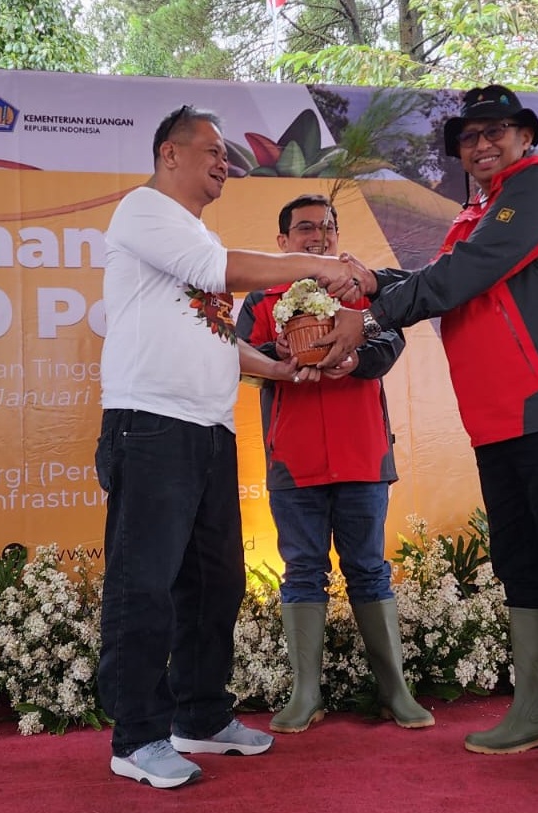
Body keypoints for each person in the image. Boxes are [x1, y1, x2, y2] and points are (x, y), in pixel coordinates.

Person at [316, 84, 538, 784]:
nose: (481, 145)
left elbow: (465, 276)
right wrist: (373, 284)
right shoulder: (479, 212)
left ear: (526, 137)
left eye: (496, 131)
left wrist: (369, 316)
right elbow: (447, 278)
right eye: (468, 137)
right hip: (500, 411)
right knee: (522, 560)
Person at [95, 104, 362, 789]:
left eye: (225, 153)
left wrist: (274, 367)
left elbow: (213, 328)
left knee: (216, 583)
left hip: (210, 427)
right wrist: (320, 266)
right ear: (169, 154)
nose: (224, 162)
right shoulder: (143, 210)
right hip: (149, 421)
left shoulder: (190, 234)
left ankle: (200, 716)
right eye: (212, 150)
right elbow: (220, 272)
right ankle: (138, 736)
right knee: (144, 585)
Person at [233, 194, 434, 735]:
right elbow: (237, 359)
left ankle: (395, 690)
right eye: (304, 229)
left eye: (326, 227)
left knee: (369, 569)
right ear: (282, 242)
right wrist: (279, 357)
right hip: (293, 460)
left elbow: (390, 344)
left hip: (363, 454)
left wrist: (354, 357)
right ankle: (306, 694)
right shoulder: (259, 300)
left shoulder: (362, 291)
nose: (317, 237)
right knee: (301, 572)